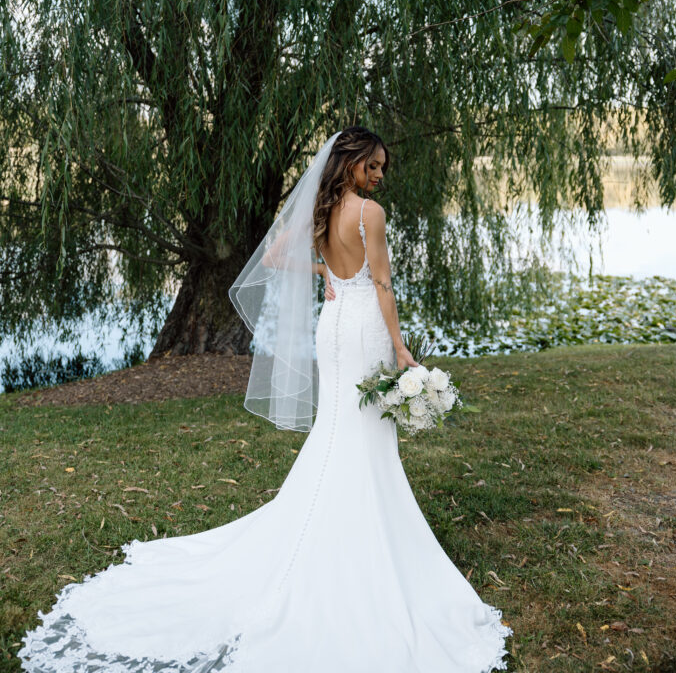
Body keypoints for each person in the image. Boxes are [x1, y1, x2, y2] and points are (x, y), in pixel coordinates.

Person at [18, 125, 513, 673]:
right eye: (372, 166)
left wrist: (324, 269)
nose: (378, 176)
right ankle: (355, 540)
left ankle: (337, 529)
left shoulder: (323, 211)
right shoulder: (369, 214)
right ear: (349, 162)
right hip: (365, 329)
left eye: (381, 169)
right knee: (362, 431)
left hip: (333, 328)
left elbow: (275, 256)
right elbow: (382, 286)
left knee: (339, 430)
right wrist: (400, 348)